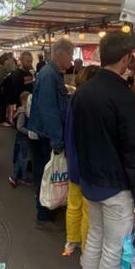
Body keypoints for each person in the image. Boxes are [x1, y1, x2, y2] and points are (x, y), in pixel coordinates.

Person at [72, 32, 135, 269]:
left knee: (94, 245)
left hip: (91, 183)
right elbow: (134, 153)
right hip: (116, 188)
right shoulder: (124, 96)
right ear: (125, 58)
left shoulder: (83, 92)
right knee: (111, 252)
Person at [28, 38, 74, 230]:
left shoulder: (51, 73)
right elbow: (49, 111)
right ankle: (44, 216)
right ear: (60, 53)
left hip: (44, 133)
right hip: (45, 136)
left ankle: (47, 210)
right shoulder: (50, 75)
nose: (71, 60)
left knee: (46, 174)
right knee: (46, 175)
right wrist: (57, 141)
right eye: (70, 55)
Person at [63, 65, 100, 256]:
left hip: (72, 157)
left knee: (73, 203)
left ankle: (72, 240)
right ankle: (86, 249)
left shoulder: (73, 99)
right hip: (86, 162)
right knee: (88, 209)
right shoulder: (91, 102)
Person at [9, 91, 33, 187]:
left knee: (21, 156)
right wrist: (29, 132)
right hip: (23, 138)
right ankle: (23, 177)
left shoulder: (23, 111)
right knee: (23, 157)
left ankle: (15, 176)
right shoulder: (23, 112)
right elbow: (19, 127)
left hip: (22, 137)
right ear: (23, 101)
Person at [0, 54, 14, 127]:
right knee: (2, 105)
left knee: (0, 104)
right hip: (2, 88)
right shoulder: (2, 68)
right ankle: (2, 121)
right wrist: (8, 76)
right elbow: (2, 79)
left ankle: (1, 118)